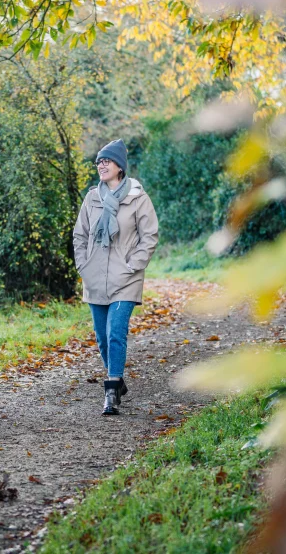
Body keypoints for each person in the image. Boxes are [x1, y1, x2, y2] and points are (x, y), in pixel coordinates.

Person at [73, 139, 159, 415]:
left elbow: (149, 236)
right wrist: (82, 265)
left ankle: (111, 391)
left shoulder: (137, 198)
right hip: (95, 276)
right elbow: (80, 234)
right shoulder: (92, 198)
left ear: (120, 167)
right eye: (99, 161)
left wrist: (133, 264)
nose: (101, 165)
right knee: (100, 337)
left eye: (106, 161)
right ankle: (117, 376)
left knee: (115, 332)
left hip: (126, 277)